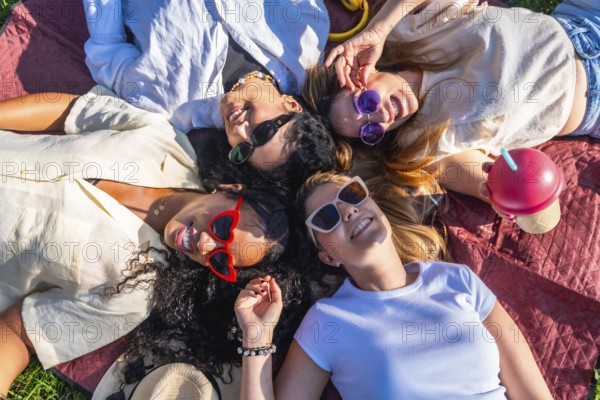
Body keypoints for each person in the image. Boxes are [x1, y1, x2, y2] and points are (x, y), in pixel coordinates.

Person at [0, 85, 292, 397]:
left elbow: (21, 332)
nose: (205, 246)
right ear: (229, 188)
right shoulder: (165, 142)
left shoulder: (132, 295)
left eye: (220, 260)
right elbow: (73, 113)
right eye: (223, 228)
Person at [233, 172, 553, 399]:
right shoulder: (327, 322)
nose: (348, 210)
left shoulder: (458, 280)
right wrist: (256, 341)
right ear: (328, 257)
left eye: (352, 195)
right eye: (327, 217)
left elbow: (532, 393)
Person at [302, 0, 600, 201]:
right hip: (592, 105)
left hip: (582, 17)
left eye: (364, 103)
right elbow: (488, 182)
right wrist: (499, 190)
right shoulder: (420, 144)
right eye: (370, 131)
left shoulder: (413, 32)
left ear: (361, 74)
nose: (379, 118)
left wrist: (378, 30)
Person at [82, 0, 338, 180]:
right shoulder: (307, 34)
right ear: (293, 105)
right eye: (261, 133)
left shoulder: (170, 104)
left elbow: (106, 52)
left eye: (243, 150)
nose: (239, 130)